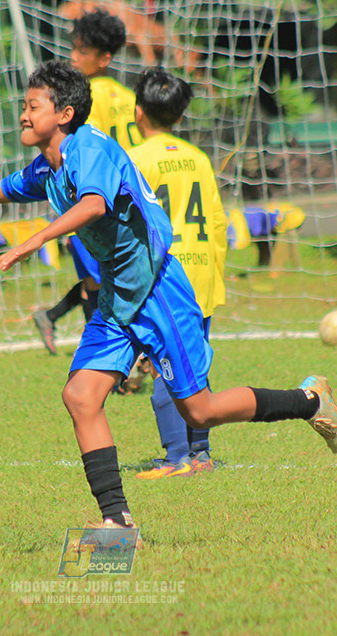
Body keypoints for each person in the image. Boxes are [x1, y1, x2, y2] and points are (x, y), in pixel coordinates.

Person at [0, 60, 337, 530]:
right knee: (80, 396)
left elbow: (95, 204)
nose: (23, 115)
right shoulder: (46, 169)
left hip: (159, 289)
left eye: (33, 106)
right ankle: (117, 521)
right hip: (119, 298)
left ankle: (310, 401)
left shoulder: (90, 147)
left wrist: (35, 240)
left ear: (64, 114)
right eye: (25, 105)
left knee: (200, 410)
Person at [128, 68, 227, 479]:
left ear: (138, 112)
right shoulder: (199, 158)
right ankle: (200, 452)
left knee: (165, 368)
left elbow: (132, 224)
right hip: (202, 273)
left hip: (167, 277)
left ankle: (177, 456)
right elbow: (218, 222)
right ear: (180, 116)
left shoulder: (136, 159)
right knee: (194, 365)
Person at [32, 8, 142, 355]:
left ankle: (103, 355)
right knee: (102, 280)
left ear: (104, 58)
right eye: (74, 49)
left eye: (83, 51)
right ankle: (107, 354)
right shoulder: (129, 98)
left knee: (97, 282)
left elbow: (80, 158)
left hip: (94, 204)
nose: (74, 57)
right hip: (126, 203)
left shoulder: (86, 100)